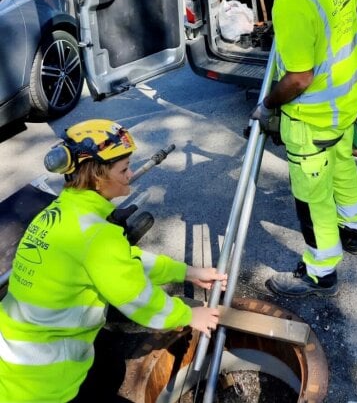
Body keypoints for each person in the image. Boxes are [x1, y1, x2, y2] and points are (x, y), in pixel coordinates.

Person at [0, 119, 227, 402]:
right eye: (123, 169)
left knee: (107, 369)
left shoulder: (61, 213)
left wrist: (187, 272)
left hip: (12, 355)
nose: (130, 174)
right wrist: (188, 315)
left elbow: (122, 262)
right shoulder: (97, 236)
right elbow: (135, 296)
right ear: (97, 176)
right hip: (43, 379)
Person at [221, 0, 357, 297]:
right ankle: (353, 232)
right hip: (346, 103)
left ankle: (321, 271)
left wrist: (267, 104)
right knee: (343, 166)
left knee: (311, 195)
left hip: (313, 115)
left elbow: (298, 79)